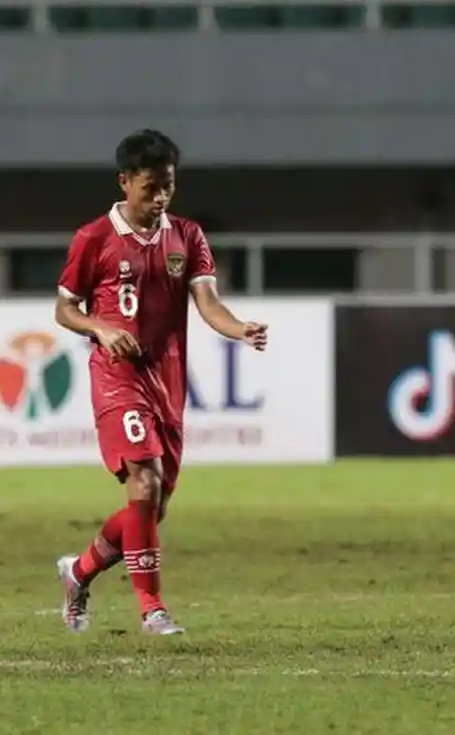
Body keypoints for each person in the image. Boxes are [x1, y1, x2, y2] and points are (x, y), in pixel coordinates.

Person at [54, 129, 268, 635]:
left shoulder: (187, 236)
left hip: (167, 381)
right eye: (150, 187)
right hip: (116, 377)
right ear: (125, 182)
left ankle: (78, 572)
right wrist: (102, 329)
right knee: (144, 481)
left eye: (168, 186)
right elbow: (65, 308)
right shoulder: (94, 238)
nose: (160, 198)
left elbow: (208, 302)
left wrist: (239, 329)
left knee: (151, 506)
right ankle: (152, 608)